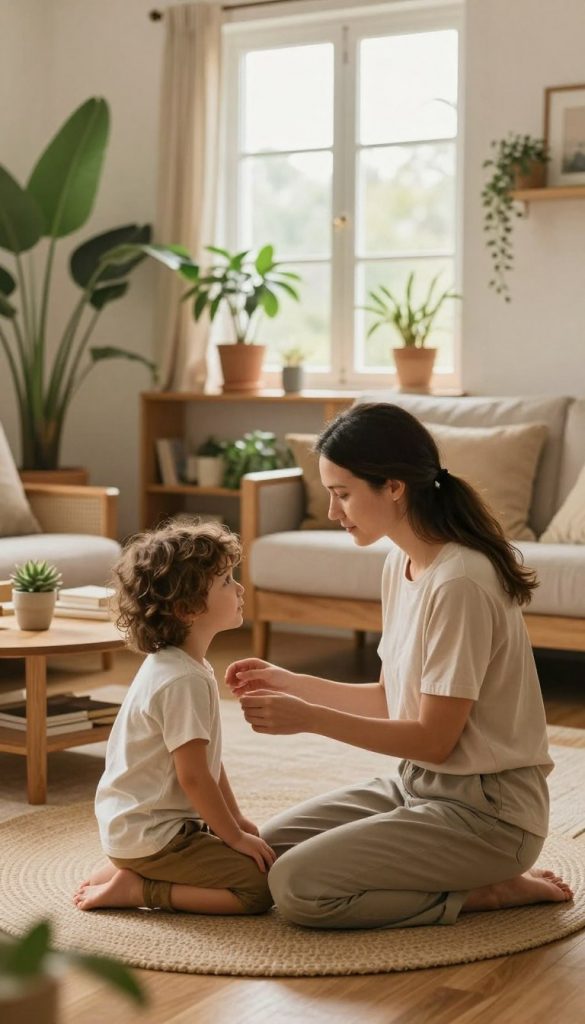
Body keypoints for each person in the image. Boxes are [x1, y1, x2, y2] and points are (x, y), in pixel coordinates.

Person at [226, 403, 573, 930]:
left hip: (490, 816)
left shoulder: (460, 582)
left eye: (342, 493)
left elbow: (435, 740)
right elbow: (393, 699)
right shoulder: (401, 562)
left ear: (393, 486)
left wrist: (310, 719)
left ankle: (487, 891)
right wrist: (291, 682)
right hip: (419, 788)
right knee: (259, 853)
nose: (332, 512)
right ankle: (452, 875)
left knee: (297, 887)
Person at [73, 520, 275, 915]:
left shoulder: (180, 666)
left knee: (256, 850)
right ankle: (138, 889)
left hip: (138, 826)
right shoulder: (182, 680)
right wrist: (231, 837)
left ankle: (125, 866)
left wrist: (236, 820)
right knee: (257, 889)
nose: (239, 589)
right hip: (153, 835)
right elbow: (194, 777)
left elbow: (208, 765)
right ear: (187, 609)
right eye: (225, 582)